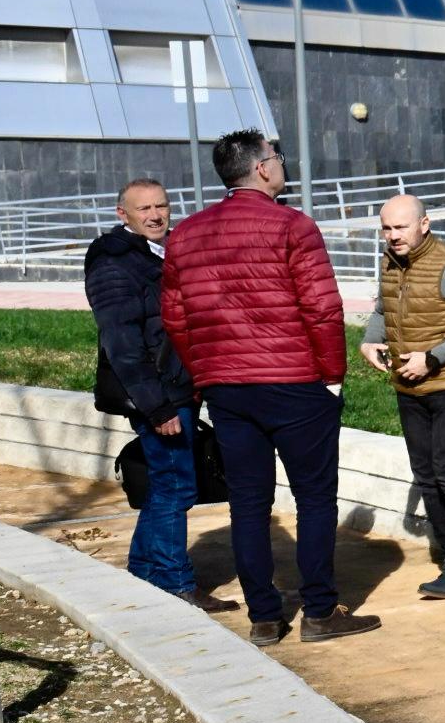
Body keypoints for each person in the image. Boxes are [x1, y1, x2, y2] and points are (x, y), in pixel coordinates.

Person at [161, 130, 379, 646]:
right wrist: (331, 376)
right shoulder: (293, 226)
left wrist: (204, 374)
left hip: (227, 387)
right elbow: (322, 308)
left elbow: (176, 318)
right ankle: (320, 611)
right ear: (262, 168)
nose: (282, 164)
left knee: (249, 503)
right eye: (278, 157)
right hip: (295, 382)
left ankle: (264, 616)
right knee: (315, 500)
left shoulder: (185, 234)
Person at [83, 178, 226, 610]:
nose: (155, 215)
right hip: (159, 395)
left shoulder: (159, 252)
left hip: (177, 388)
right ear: (121, 214)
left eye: (161, 205)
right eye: (143, 208)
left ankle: (144, 572)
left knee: (167, 486)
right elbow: (122, 345)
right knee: (176, 488)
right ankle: (176, 581)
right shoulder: (114, 263)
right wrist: (158, 405)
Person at [363, 195, 445, 600]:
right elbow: (383, 310)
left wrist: (433, 358)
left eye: (400, 227)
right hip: (409, 385)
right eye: (386, 228)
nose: (392, 236)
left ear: (424, 224)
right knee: (424, 471)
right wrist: (371, 340)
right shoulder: (389, 262)